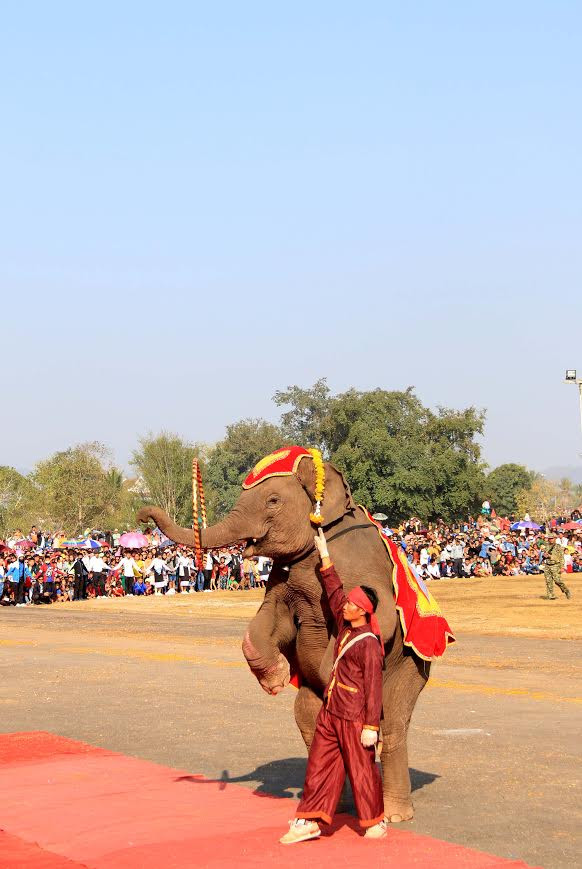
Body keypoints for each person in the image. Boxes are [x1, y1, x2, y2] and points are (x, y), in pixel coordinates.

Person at [280, 528, 387, 844]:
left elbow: (374, 687)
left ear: (363, 611)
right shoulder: (346, 626)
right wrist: (324, 554)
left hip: (354, 716)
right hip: (331, 711)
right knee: (318, 764)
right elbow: (334, 591)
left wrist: (371, 726)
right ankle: (309, 819)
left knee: (362, 769)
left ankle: (374, 821)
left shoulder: (369, 643)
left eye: (352, 604)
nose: (345, 606)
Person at [541, 533, 571, 600]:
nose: (551, 540)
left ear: (555, 539)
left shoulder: (558, 547)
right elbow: (545, 554)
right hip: (547, 565)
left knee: (557, 580)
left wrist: (562, 567)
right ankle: (551, 596)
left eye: (552, 538)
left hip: (555, 565)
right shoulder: (547, 546)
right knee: (548, 581)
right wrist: (544, 555)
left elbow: (561, 557)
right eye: (549, 538)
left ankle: (566, 590)